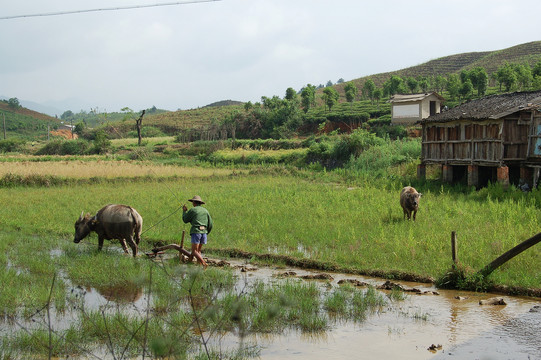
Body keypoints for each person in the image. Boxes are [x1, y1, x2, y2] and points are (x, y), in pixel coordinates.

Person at [182, 195, 213, 268]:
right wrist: (206, 232)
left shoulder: (193, 210)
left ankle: (204, 264)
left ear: (194, 203)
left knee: (194, 251)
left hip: (196, 232)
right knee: (198, 251)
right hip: (204, 232)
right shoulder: (206, 211)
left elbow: (185, 220)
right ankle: (197, 264)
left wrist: (184, 212)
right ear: (200, 203)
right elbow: (210, 224)